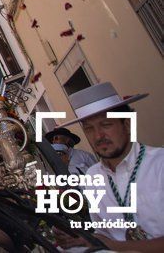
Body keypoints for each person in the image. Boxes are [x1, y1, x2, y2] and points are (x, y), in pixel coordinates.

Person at [53, 82, 163, 251]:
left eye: (106, 125)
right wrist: (81, 237)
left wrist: (118, 247)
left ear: (127, 125)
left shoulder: (159, 164)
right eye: (89, 128)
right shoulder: (92, 176)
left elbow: (112, 243)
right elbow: (103, 233)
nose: (98, 136)